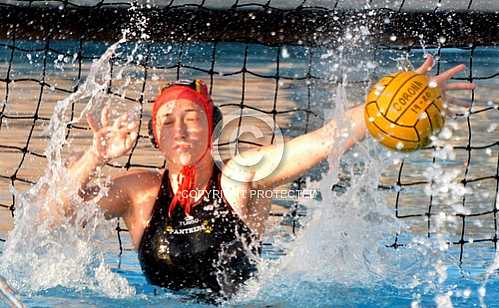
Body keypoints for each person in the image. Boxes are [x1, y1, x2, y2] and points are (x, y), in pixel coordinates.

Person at [62, 55, 475, 295]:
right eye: (167, 121)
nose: (181, 129)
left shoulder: (240, 176)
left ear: (211, 127)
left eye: (192, 118)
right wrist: (93, 158)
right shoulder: (141, 192)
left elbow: (323, 139)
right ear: (156, 136)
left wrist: (383, 108)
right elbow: (57, 212)